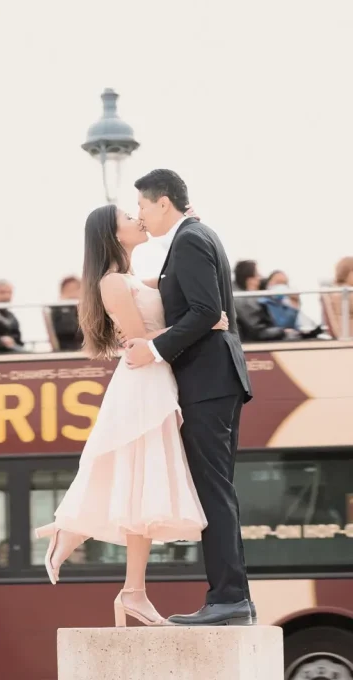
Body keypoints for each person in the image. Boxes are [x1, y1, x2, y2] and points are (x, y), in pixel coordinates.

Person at [34, 203, 229, 627]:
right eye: (127, 216)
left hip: (157, 383)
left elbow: (171, 298)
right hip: (143, 383)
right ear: (112, 232)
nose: (136, 219)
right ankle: (91, 550)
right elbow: (142, 342)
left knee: (144, 489)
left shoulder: (130, 278)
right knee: (141, 483)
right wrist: (207, 325)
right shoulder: (111, 284)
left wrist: (185, 218)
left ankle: (131, 589)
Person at [124, 169, 256, 627]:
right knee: (218, 490)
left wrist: (155, 348)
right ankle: (230, 597)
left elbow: (205, 310)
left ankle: (228, 599)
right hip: (216, 378)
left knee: (214, 490)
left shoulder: (190, 240)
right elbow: (206, 311)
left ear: (164, 203)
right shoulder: (198, 237)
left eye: (142, 205)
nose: (139, 214)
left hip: (208, 381)